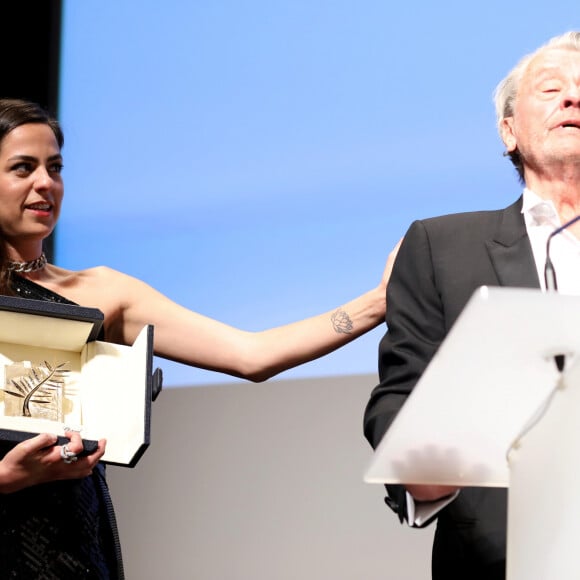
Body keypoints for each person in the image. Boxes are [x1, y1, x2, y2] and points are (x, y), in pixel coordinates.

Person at [0, 97, 399, 579]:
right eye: (23, 168)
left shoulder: (104, 291)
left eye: (55, 167)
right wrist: (7, 478)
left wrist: (377, 301)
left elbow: (252, 355)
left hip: (69, 549)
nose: (45, 183)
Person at [363, 30, 580, 580]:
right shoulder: (443, 246)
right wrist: (420, 466)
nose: (573, 98)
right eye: (552, 88)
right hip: (506, 556)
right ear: (508, 131)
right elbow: (400, 393)